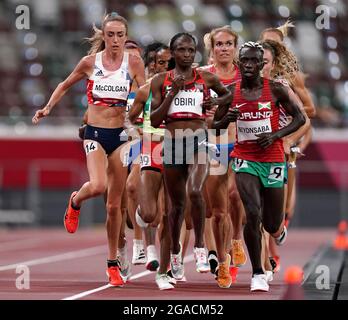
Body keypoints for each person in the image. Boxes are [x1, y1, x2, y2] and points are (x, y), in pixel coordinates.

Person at [32, 13, 145, 287]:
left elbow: (144, 93)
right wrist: (48, 108)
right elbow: (64, 84)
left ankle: (112, 263)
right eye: (110, 35)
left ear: (125, 36)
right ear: (103, 36)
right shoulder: (89, 63)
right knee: (97, 185)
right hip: (94, 132)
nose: (115, 40)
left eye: (120, 35)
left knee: (115, 205)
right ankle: (75, 201)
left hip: (121, 135)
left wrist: (145, 115)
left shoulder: (134, 62)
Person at [211, 41, 306, 292]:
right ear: (239, 63)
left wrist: (276, 136)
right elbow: (215, 126)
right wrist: (225, 119)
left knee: (271, 222)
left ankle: (277, 230)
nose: (250, 65)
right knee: (251, 213)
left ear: (263, 64)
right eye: (246, 61)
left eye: (255, 60)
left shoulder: (276, 90)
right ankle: (257, 273)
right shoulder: (230, 92)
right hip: (245, 158)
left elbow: (300, 118)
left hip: (273, 159)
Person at [150, 33, 232, 280]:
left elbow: (227, 95)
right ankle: (175, 251)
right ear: (173, 53)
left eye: (190, 50)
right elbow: (154, 120)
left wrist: (215, 107)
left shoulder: (205, 78)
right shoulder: (160, 81)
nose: (187, 54)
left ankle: (199, 247)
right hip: (173, 142)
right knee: (175, 207)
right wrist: (172, 94)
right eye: (181, 50)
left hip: (199, 140)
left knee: (196, 191)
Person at [200, 26, 246, 288]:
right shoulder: (203, 76)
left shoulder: (245, 75)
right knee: (217, 212)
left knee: (235, 195)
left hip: (240, 144)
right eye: (219, 44)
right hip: (213, 145)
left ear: (235, 47)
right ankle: (223, 261)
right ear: (212, 48)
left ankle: (237, 239)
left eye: (229, 43)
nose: (224, 48)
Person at [126, 44, 176, 289]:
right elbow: (130, 118)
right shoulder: (145, 91)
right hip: (150, 150)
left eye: (167, 62)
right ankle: (141, 222)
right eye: (157, 62)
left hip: (175, 150)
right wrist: (140, 134)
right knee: (149, 212)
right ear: (151, 64)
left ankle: (163, 269)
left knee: (169, 212)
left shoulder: (181, 90)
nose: (162, 66)